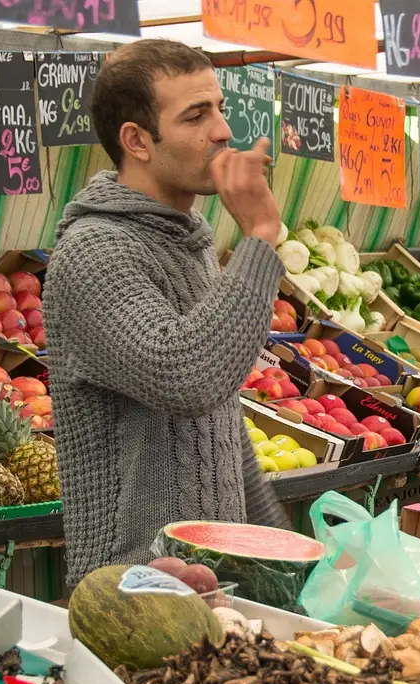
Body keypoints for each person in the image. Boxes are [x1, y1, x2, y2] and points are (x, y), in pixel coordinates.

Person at [44, 40, 288, 588]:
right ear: (137, 141)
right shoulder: (96, 251)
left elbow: (216, 417)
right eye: (196, 116)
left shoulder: (190, 241)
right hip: (134, 582)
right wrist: (261, 237)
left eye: (219, 108)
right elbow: (188, 376)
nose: (223, 130)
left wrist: (273, 546)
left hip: (211, 573)